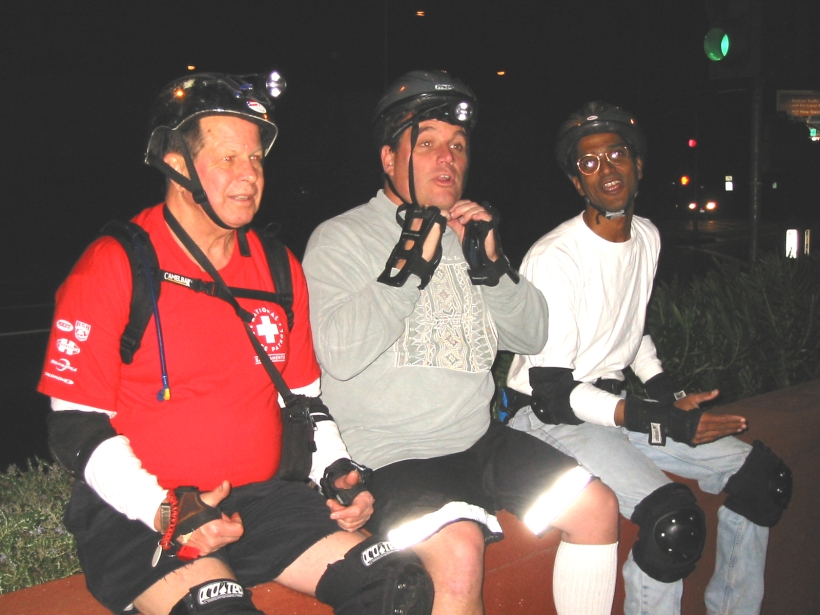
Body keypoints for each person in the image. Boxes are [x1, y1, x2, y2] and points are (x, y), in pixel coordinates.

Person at [37, 71, 434, 615]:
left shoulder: (276, 267)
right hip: (145, 512)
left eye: (255, 159)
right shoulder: (115, 265)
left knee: (399, 584)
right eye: (228, 159)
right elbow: (73, 425)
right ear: (176, 164)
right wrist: (163, 508)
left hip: (265, 501)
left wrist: (337, 473)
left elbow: (304, 401)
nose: (249, 176)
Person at [302, 70, 620, 615]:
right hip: (395, 457)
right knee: (458, 552)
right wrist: (407, 269)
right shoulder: (340, 238)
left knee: (596, 508)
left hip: (480, 442)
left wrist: (492, 267)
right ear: (388, 158)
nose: (446, 159)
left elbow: (533, 333)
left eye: (457, 147)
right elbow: (338, 353)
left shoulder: (467, 234)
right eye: (425, 145)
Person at [505, 101, 793, 615]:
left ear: (638, 164)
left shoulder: (647, 237)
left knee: (761, 479)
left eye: (616, 154)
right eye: (588, 163)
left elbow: (630, 329)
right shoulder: (556, 258)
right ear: (577, 183)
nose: (606, 169)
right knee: (671, 523)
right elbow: (553, 393)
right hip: (551, 418)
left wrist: (668, 395)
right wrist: (659, 419)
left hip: (612, 410)